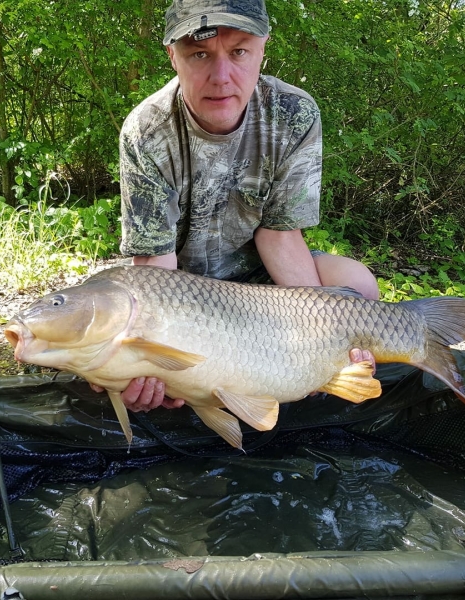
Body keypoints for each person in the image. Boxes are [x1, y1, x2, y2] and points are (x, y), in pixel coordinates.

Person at [97, 0, 379, 412]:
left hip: (261, 287)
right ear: (172, 56)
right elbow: (155, 272)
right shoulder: (146, 131)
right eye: (199, 54)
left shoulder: (294, 114)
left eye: (239, 51)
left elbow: (279, 236)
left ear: (263, 48)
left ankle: (316, 361)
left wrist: (324, 338)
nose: (222, 76)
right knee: (118, 353)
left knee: (358, 284)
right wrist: (156, 360)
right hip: (186, 295)